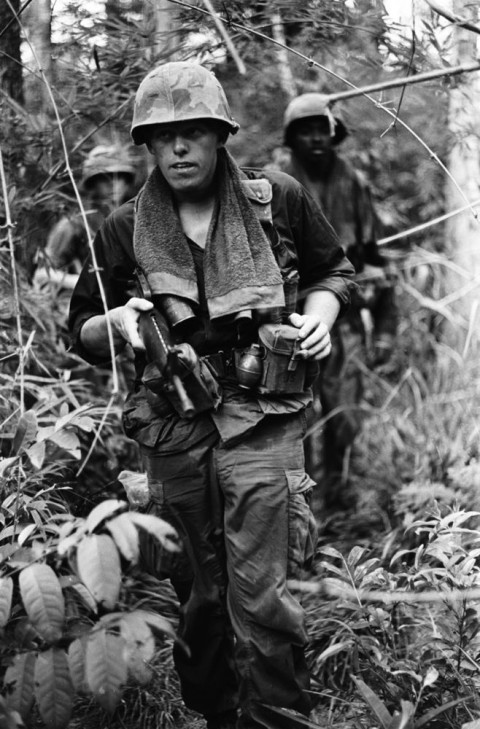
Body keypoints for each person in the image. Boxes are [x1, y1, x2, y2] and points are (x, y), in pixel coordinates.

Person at [69, 62, 355, 729]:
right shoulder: (122, 228)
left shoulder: (276, 199)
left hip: (264, 415)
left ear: (220, 134)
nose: (178, 147)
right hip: (173, 424)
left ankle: (276, 717)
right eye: (162, 135)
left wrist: (319, 316)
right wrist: (115, 322)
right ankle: (217, 715)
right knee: (197, 591)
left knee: (262, 593)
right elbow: (80, 330)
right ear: (146, 144)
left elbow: (332, 271)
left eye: (194, 131)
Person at [272, 92, 397, 508]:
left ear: (334, 134)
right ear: (292, 138)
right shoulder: (276, 184)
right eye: (305, 131)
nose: (315, 138)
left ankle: (340, 499)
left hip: (346, 322)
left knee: (345, 415)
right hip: (292, 324)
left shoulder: (353, 183)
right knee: (296, 418)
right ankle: (301, 505)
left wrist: (384, 331)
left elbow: (377, 263)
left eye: (321, 129)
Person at [33, 143, 138, 295]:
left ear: (127, 181)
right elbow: (42, 275)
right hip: (88, 301)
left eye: (119, 176)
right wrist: (87, 283)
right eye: (104, 178)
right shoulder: (74, 224)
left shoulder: (137, 219)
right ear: (92, 183)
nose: (113, 183)